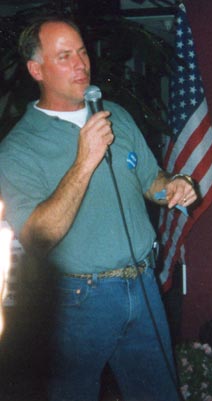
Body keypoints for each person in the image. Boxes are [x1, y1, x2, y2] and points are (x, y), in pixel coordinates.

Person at [0, 16, 197, 401]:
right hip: (78, 301)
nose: (81, 63)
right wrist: (84, 162)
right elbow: (38, 237)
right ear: (36, 70)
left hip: (144, 286)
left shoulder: (116, 116)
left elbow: (150, 181)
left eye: (82, 51)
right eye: (64, 56)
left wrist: (174, 186)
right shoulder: (17, 150)